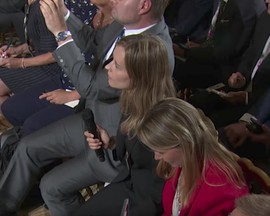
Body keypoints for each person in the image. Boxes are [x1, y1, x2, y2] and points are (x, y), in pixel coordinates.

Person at [0, 0, 174, 215]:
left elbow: (91, 86)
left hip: (114, 144)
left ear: (144, 5)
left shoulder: (153, 49)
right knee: (27, 147)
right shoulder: (127, 22)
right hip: (92, 119)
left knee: (51, 186)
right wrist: (64, 15)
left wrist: (62, 34)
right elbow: (92, 41)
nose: (114, 0)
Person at [70, 34, 175, 216]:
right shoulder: (132, 99)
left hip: (146, 202)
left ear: (140, 76)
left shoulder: (163, 125)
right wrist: (110, 142)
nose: (107, 67)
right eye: (111, 61)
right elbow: (135, 150)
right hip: (130, 183)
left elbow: (161, 193)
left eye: (117, 66)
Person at [0, 0, 111, 136]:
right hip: (67, 76)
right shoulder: (79, 5)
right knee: (10, 109)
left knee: (32, 127)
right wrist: (19, 50)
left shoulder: (122, 24)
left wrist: (73, 94)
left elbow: (109, 82)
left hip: (83, 90)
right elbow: (64, 41)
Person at [136, 98, 249, 216]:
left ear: (185, 144)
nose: (156, 157)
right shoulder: (183, 164)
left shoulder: (222, 189)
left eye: (161, 151)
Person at [190, 0, 270, 128]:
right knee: (195, 102)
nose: (267, 0)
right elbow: (250, 54)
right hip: (241, 89)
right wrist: (241, 76)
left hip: (261, 104)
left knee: (214, 122)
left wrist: (247, 97)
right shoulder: (266, 18)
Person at [173, 0, 265, 89]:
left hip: (227, 70)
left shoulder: (246, 6)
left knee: (172, 64)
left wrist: (184, 52)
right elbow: (218, 35)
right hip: (212, 53)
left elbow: (226, 52)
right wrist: (203, 46)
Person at [0, 0, 65, 107]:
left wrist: (21, 62)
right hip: (41, 63)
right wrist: (17, 50)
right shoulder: (31, 5)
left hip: (54, 71)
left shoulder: (44, 7)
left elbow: (56, 54)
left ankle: (22, 113)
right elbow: (41, 40)